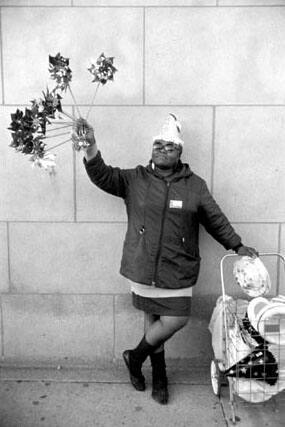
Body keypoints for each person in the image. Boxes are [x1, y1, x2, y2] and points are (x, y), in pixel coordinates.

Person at [73, 113, 258, 405]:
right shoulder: (135, 178)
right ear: (152, 149)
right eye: (158, 144)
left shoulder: (194, 185)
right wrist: (90, 146)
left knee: (175, 318)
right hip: (143, 264)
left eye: (170, 146)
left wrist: (237, 245)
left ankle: (134, 358)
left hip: (177, 266)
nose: (162, 149)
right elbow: (102, 175)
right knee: (152, 318)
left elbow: (214, 219)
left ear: (180, 152)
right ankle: (159, 376)